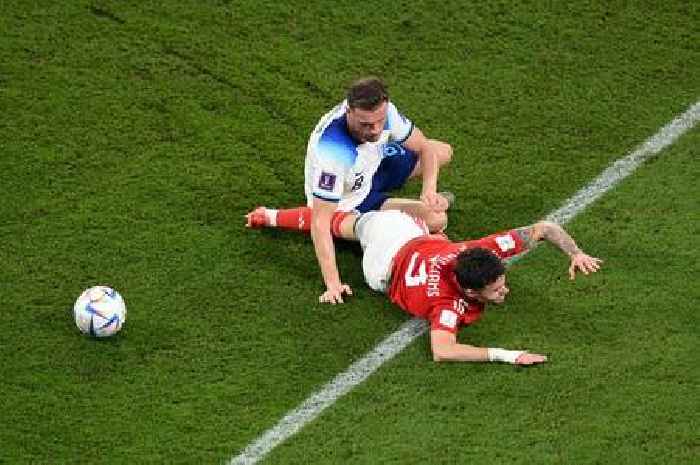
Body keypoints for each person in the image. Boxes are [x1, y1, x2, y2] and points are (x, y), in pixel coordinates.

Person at [246, 77, 453, 305]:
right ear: (349, 111)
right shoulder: (333, 151)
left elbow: (425, 148)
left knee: (442, 151)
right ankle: (274, 216)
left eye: (379, 121)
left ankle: (403, 209)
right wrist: (333, 284)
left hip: (370, 171)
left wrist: (429, 191)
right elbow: (320, 222)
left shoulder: (384, 113)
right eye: (366, 124)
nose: (375, 129)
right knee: (436, 219)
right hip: (347, 204)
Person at [352, 210, 603, 364]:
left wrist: (576, 254)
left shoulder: (484, 250)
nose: (504, 291)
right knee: (347, 221)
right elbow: (443, 351)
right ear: (470, 292)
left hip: (412, 237)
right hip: (382, 265)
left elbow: (545, 228)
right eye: (495, 290)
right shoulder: (447, 303)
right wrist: (510, 355)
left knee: (436, 221)